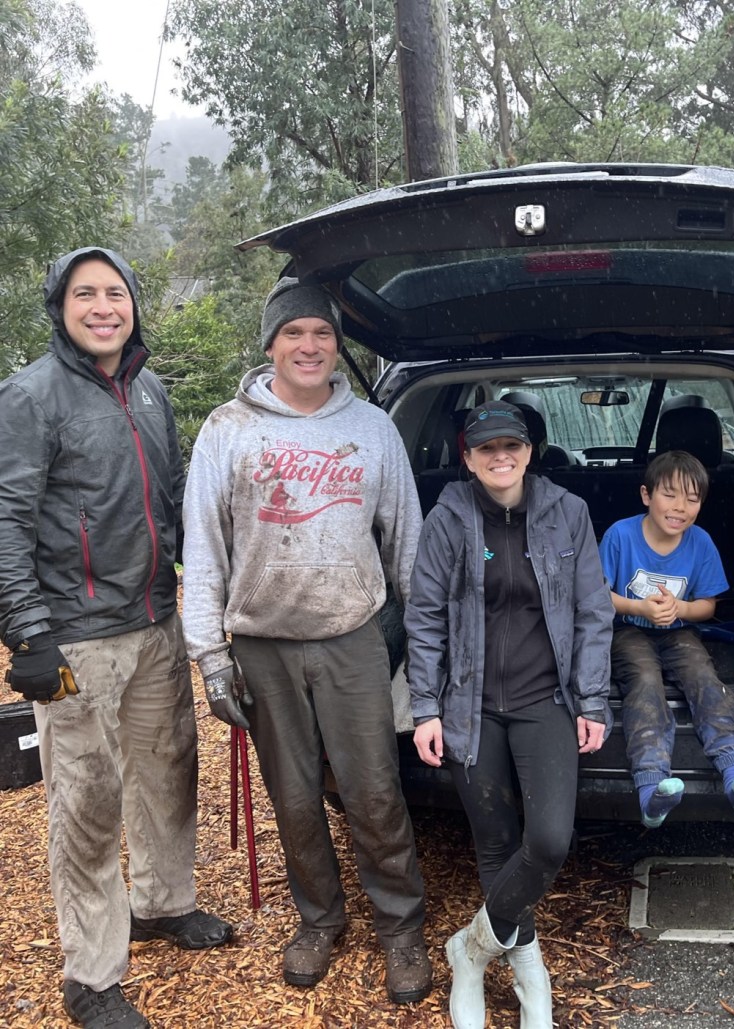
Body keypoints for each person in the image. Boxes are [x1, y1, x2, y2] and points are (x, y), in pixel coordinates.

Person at [181, 277, 432, 1004]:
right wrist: (212, 658)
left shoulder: (374, 428)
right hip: (262, 646)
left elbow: (408, 541)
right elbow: (204, 549)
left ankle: (401, 927)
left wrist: (428, 645)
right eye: (294, 332)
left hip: (353, 637)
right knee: (293, 798)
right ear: (270, 344)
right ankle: (319, 919)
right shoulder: (228, 429)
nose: (309, 345)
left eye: (322, 332)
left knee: (374, 791)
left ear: (336, 344)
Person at [0, 247, 232, 1029]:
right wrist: (28, 632)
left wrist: (212, 589)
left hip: (155, 620)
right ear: (60, 306)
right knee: (87, 800)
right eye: (85, 294)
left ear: (133, 303)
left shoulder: (150, 390)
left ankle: (163, 903)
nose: (103, 307)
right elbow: (6, 518)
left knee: (168, 772)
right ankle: (91, 974)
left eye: (115, 292)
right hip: (76, 640)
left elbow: (173, 500)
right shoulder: (30, 396)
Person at [404, 400, 613, 1029]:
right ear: (467, 458)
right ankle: (528, 968)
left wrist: (592, 699)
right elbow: (424, 617)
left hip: (544, 699)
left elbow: (592, 612)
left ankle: (470, 951)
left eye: (511, 446)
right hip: (468, 706)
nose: (501, 457)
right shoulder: (448, 518)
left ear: (529, 452)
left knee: (547, 841)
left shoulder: (567, 513)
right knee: (494, 841)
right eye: (486, 448)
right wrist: (424, 707)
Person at [598, 449, 734, 828]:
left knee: (705, 677)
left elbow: (708, 606)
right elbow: (598, 596)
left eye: (692, 499)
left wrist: (681, 609)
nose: (680, 507)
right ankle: (651, 787)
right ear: (646, 495)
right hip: (628, 630)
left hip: (680, 631)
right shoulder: (620, 535)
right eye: (669, 495)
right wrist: (640, 608)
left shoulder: (700, 542)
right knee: (644, 681)